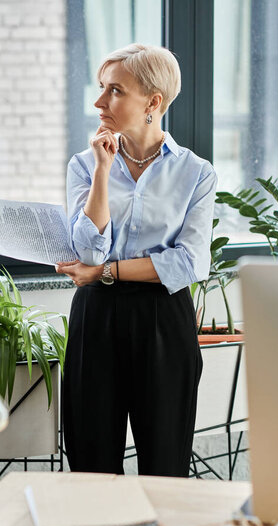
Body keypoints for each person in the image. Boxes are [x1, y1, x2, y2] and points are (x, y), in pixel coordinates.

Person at [55, 43, 218, 477]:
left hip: (164, 321)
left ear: (153, 102)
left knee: (165, 466)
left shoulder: (196, 173)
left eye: (114, 91)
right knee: (92, 466)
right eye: (101, 88)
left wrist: (104, 271)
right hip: (96, 319)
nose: (99, 102)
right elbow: (87, 250)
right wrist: (102, 172)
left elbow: (188, 265)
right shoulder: (83, 166)